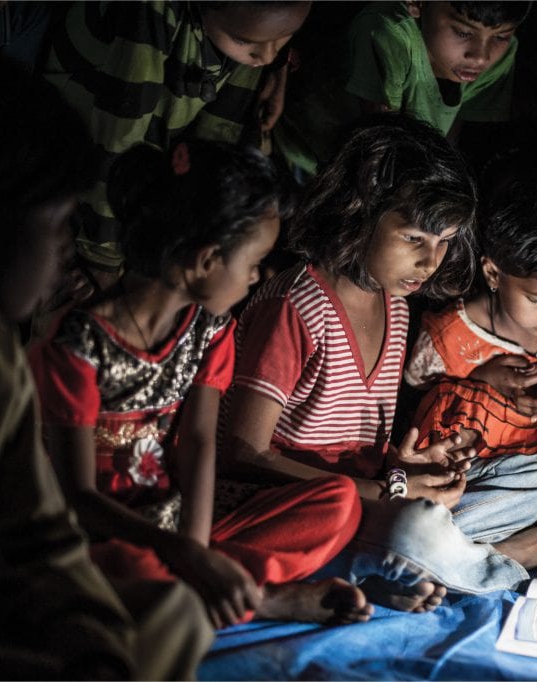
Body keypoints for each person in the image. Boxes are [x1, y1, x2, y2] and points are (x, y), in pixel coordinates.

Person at [222, 116, 537, 609]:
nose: (430, 260)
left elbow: (357, 443)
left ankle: (423, 553)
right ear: (359, 212)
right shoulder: (295, 307)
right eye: (415, 238)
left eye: (444, 242)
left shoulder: (395, 304)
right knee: (412, 527)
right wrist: (389, 488)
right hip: (296, 507)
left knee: (531, 476)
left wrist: (407, 467)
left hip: (370, 495)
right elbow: (242, 454)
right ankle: (493, 562)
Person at [29, 140, 371, 628]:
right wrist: (188, 556)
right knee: (124, 570)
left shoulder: (211, 329)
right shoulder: (77, 345)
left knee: (335, 504)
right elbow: (77, 494)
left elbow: (197, 442)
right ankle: (254, 598)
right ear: (207, 260)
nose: (257, 277)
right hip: (96, 533)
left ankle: (202, 593)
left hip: (179, 523)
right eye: (254, 262)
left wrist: (194, 551)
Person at [0, 50, 212, 679]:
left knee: (170, 615)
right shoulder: (65, 344)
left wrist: (85, 635)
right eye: (57, 223)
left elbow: (39, 535)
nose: (68, 249)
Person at [405, 173, 537, 546]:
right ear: (493, 273)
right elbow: (422, 419)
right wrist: (481, 383)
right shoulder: (448, 340)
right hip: (495, 478)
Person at [42, 0, 312, 281]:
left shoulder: (248, 33)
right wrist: (102, 258)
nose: (267, 57)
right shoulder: (148, 13)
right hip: (70, 161)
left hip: (134, 164)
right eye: (245, 41)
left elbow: (217, 139)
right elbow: (116, 142)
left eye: (283, 39)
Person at [273, 0, 530, 178]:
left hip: (393, 166)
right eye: (463, 32)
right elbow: (378, 146)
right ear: (416, 3)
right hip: (305, 152)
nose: (481, 57)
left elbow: (448, 141)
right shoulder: (387, 31)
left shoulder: (500, 58)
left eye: (500, 37)